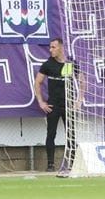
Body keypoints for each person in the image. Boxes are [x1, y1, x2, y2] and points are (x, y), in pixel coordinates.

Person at [34, 38, 72, 172]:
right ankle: (50, 164)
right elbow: (37, 82)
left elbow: (82, 80)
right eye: (50, 47)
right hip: (53, 106)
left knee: (71, 135)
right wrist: (41, 102)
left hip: (68, 105)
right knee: (51, 134)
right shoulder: (48, 64)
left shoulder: (70, 63)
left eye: (54, 47)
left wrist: (79, 100)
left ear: (61, 47)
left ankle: (71, 163)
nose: (51, 50)